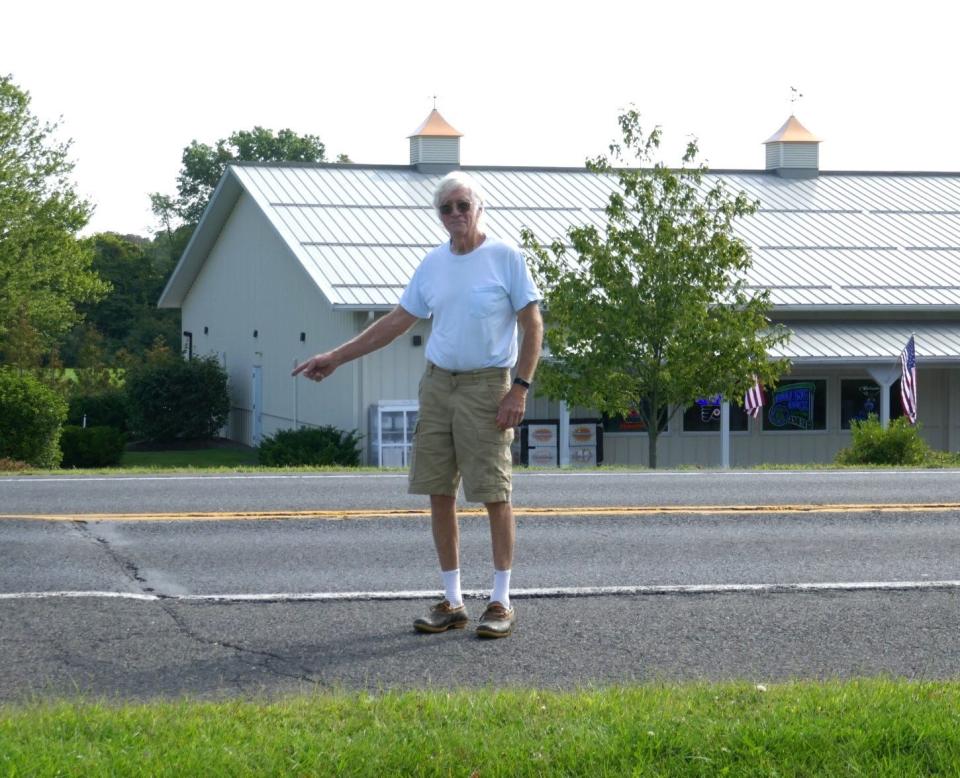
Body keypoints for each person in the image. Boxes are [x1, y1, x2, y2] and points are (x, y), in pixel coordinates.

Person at [292, 171, 543, 639]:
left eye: (462, 205)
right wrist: (335, 358)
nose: (454, 215)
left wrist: (520, 388)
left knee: (493, 492)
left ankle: (501, 601)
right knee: (438, 491)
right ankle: (452, 601)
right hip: (437, 385)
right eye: (445, 208)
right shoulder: (432, 265)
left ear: (479, 207)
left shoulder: (506, 258)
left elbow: (533, 325)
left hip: (488, 385)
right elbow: (396, 322)